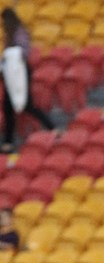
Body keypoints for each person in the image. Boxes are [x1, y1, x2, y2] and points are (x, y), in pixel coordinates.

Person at [1, 8, 54, 154]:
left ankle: (51, 126)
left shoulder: (18, 32)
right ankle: (8, 142)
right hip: (10, 71)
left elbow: (24, 52)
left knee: (27, 105)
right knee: (8, 107)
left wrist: (12, 56)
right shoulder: (10, 34)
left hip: (20, 71)